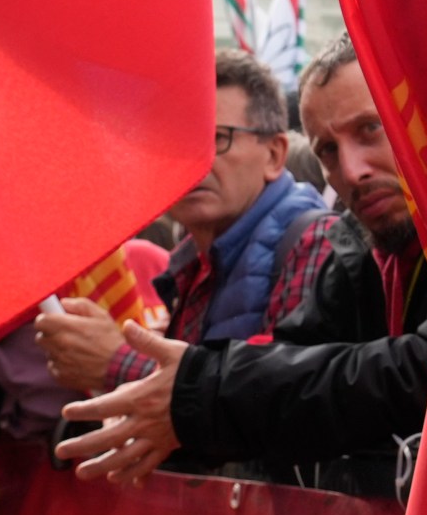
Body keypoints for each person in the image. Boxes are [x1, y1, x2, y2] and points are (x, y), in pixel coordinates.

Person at [56, 38, 427, 484]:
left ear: (277, 154)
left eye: (370, 129)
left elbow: (420, 371)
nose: (352, 170)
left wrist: (125, 364)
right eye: (328, 151)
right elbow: (284, 376)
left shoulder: (322, 241)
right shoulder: (359, 249)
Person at [35, 50, 332, 394]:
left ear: (275, 154)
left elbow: (277, 400)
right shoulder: (193, 263)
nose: (196, 161)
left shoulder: (313, 242)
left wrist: (117, 362)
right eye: (175, 142)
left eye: (218, 138)